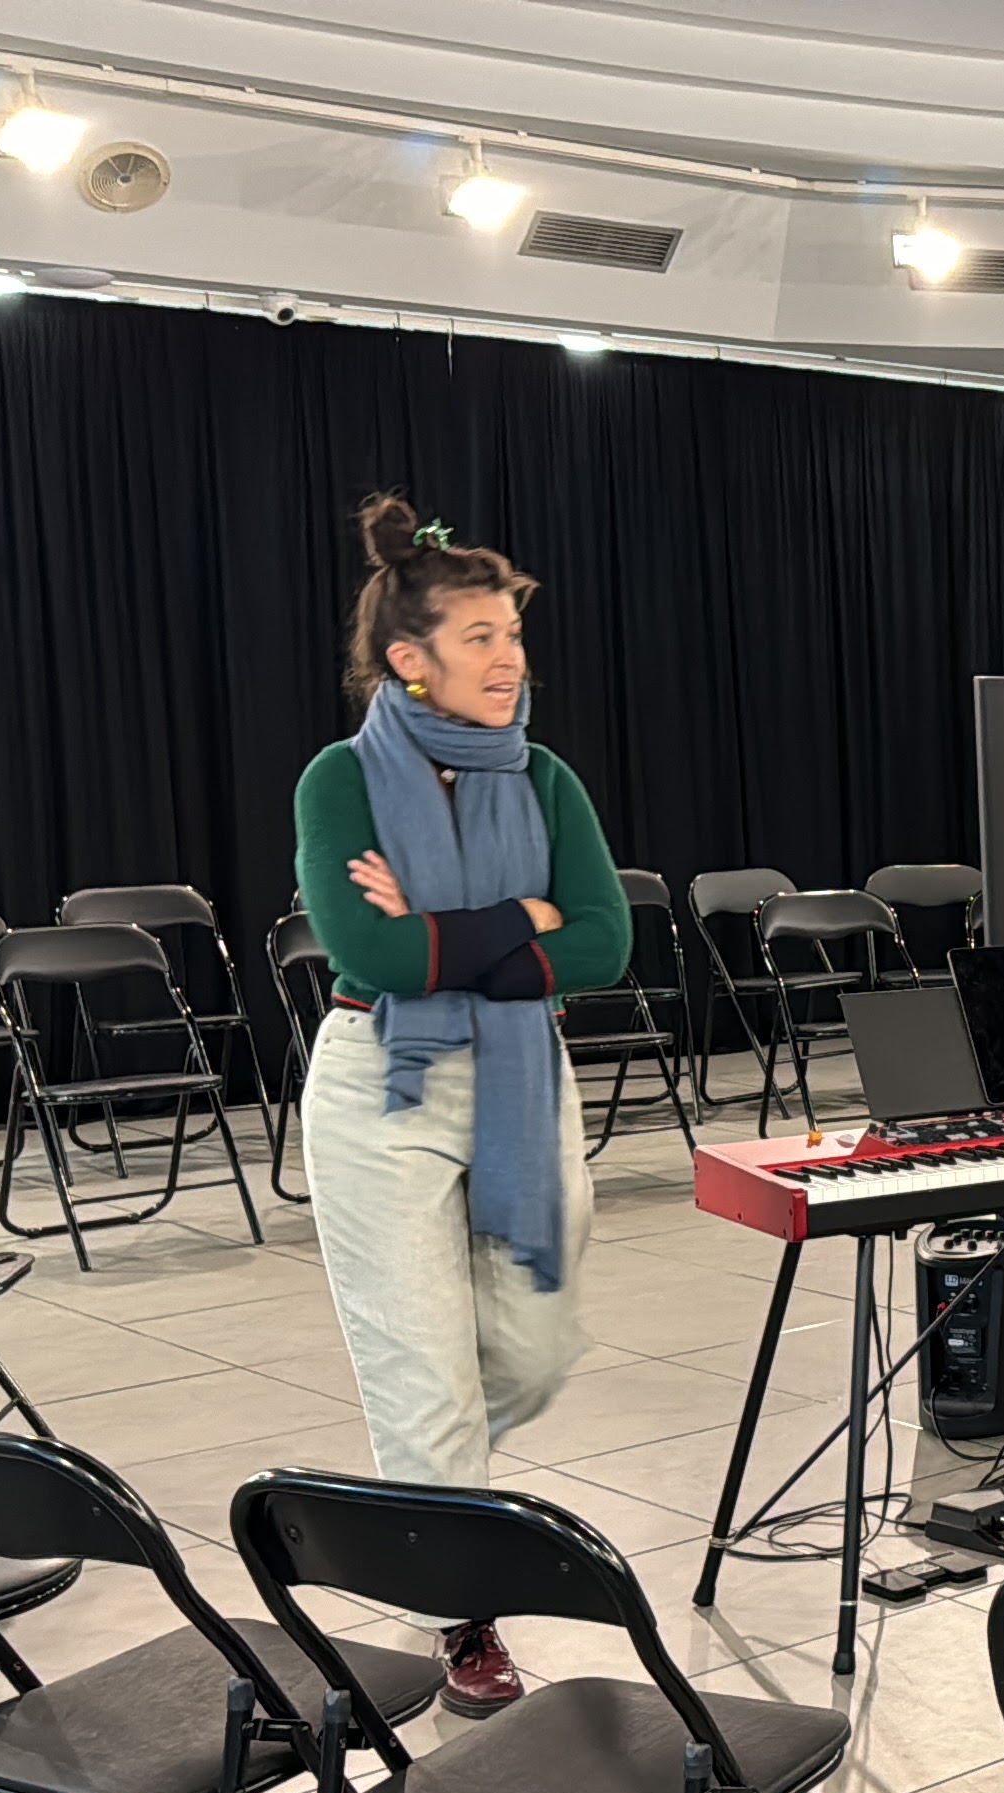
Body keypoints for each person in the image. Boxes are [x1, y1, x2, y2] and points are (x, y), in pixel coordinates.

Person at [294, 496, 630, 1717]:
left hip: (521, 1075)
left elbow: (606, 940)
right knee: (424, 1375)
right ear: (410, 660)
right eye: (482, 636)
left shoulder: (544, 777)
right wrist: (519, 919)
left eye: (513, 634)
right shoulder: (341, 783)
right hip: (381, 1085)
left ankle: (413, 1491)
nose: (511, 657)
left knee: (531, 1353)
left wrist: (445, 929)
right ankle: (459, 1613)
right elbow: (372, 963)